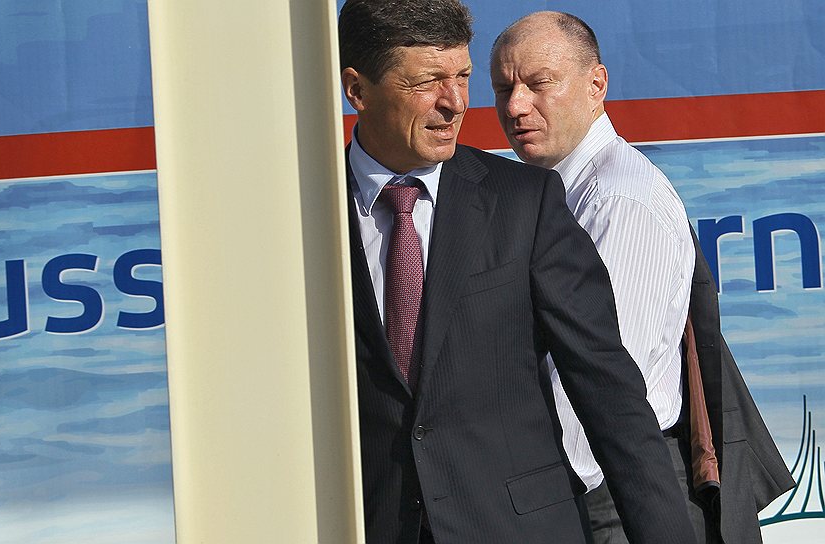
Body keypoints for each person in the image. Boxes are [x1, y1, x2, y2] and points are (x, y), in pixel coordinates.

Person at [338, 1, 696, 542]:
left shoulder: (525, 203)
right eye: (428, 82)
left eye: (462, 77)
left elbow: (609, 392)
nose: (455, 102)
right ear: (357, 90)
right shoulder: (300, 218)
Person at [490, 11, 794, 544]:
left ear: (596, 85)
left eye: (539, 84)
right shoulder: (552, 195)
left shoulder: (619, 201)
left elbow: (602, 388)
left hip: (608, 498)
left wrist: (519, 504)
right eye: (503, 88)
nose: (516, 106)